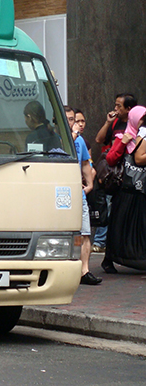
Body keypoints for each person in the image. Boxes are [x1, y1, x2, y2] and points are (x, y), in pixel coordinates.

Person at [101, 105, 146, 273]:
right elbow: (111, 159)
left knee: (136, 226)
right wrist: (123, 142)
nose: (143, 122)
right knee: (118, 225)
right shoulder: (125, 136)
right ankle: (109, 259)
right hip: (124, 189)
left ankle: (136, 258)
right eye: (141, 118)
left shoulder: (142, 136)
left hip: (139, 189)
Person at [92, 93, 136, 253]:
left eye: (119, 106)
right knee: (108, 203)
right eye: (115, 105)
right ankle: (101, 241)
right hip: (113, 172)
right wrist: (107, 123)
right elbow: (99, 139)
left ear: (129, 109)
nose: (115, 108)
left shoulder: (135, 127)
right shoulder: (115, 122)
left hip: (130, 172)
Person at [67, 107, 101, 285]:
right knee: (70, 233)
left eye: (74, 119)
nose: (73, 123)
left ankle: (84, 270)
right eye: (69, 120)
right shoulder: (57, 139)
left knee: (84, 232)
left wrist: (89, 184)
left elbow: (85, 163)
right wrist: (71, 136)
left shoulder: (79, 141)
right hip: (62, 193)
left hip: (78, 193)